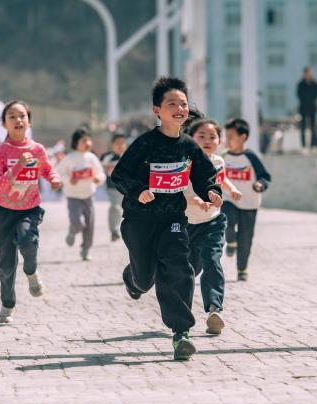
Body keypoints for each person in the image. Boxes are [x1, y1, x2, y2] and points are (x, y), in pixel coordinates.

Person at [111, 76, 222, 361]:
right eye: (172, 104)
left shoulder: (189, 146)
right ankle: (132, 277)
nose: (179, 109)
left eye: (183, 104)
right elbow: (119, 175)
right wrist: (139, 191)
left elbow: (205, 175)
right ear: (157, 110)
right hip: (139, 220)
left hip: (173, 218)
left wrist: (212, 191)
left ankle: (181, 333)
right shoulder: (145, 143)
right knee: (144, 279)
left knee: (178, 268)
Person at [0, 100, 62, 323]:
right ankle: (7, 305)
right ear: (4, 124)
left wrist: (54, 178)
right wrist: (18, 165)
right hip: (3, 213)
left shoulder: (37, 149)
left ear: (29, 121)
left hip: (28, 210)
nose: (18, 120)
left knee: (28, 242)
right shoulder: (0, 152)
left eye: (22, 116)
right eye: (12, 116)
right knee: (6, 265)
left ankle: (31, 272)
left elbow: (46, 168)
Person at [185, 118, 242, 335]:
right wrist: (195, 201)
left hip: (213, 221)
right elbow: (176, 191)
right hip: (186, 224)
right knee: (187, 271)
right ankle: (180, 312)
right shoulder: (183, 162)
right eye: (201, 136)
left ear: (219, 141)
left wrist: (232, 189)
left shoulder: (218, 161)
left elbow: (222, 179)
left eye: (212, 137)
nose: (207, 140)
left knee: (212, 259)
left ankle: (214, 310)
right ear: (191, 138)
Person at [221, 118, 272, 281]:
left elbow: (265, 176)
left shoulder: (251, 157)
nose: (227, 139)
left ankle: (242, 269)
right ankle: (231, 241)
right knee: (226, 220)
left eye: (231, 136)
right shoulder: (222, 156)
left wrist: (260, 184)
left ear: (242, 137)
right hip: (228, 199)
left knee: (246, 238)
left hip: (249, 203)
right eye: (226, 136)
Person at [56, 128, 105, 260]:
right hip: (73, 197)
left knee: (89, 224)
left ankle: (85, 249)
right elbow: (59, 172)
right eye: (84, 141)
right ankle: (73, 231)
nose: (87, 143)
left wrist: (99, 178)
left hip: (89, 196)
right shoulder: (69, 158)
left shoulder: (92, 158)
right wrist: (68, 180)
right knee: (77, 223)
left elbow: (100, 173)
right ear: (76, 143)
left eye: (89, 140)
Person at [100, 133, 127, 242]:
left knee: (124, 208)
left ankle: (126, 230)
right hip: (113, 187)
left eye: (122, 143)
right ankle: (114, 230)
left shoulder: (129, 156)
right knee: (115, 206)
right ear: (112, 145)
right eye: (118, 143)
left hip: (127, 187)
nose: (120, 145)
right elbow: (100, 169)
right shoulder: (107, 157)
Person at [296, 67, 317, 150]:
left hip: (312, 108)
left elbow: (316, 95)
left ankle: (313, 145)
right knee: (302, 127)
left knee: (313, 127)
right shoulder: (300, 84)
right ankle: (303, 146)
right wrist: (306, 100)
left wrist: (310, 101)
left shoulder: (315, 84)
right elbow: (299, 95)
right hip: (303, 108)